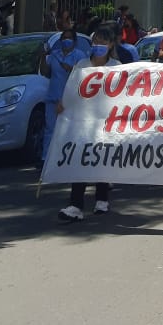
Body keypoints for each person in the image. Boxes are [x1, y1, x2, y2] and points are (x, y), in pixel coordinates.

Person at [58, 24, 117, 221]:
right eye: (96, 41)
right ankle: (75, 204)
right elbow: (71, 88)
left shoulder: (116, 67)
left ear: (110, 45)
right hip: (82, 121)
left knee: (101, 157)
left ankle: (102, 199)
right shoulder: (82, 65)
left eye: (103, 42)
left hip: (106, 121)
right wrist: (63, 103)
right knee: (80, 158)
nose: (99, 45)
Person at [41, 11, 91, 166]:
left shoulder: (80, 56)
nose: (66, 41)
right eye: (64, 38)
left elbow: (82, 75)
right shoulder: (54, 55)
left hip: (70, 98)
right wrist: (43, 56)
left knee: (71, 128)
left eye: (69, 39)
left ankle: (69, 159)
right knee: (50, 129)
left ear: (74, 42)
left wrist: (70, 68)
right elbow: (45, 72)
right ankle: (46, 159)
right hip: (53, 97)